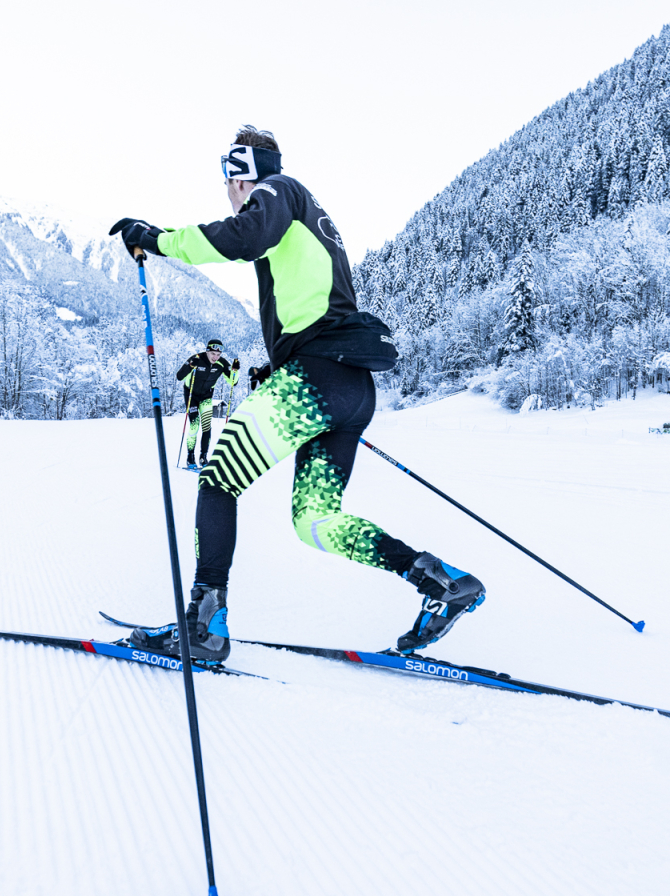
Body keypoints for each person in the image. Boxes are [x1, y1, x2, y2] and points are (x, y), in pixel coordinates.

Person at [109, 125, 484, 663]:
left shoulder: (277, 190)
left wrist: (156, 238)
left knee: (217, 481)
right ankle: (439, 579)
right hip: (348, 388)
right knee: (315, 519)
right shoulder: (307, 216)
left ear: (243, 174)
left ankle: (205, 627)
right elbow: (309, 303)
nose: (229, 192)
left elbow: (242, 239)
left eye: (229, 179)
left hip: (316, 380)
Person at [177, 339, 239, 470]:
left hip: (206, 396)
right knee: (194, 425)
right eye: (213, 354)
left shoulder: (221, 363)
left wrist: (235, 371)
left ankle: (203, 457)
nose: (215, 357)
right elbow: (179, 376)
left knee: (206, 426)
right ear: (207, 351)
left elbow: (233, 382)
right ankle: (190, 457)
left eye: (218, 355)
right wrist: (190, 366)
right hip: (191, 395)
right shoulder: (197, 358)